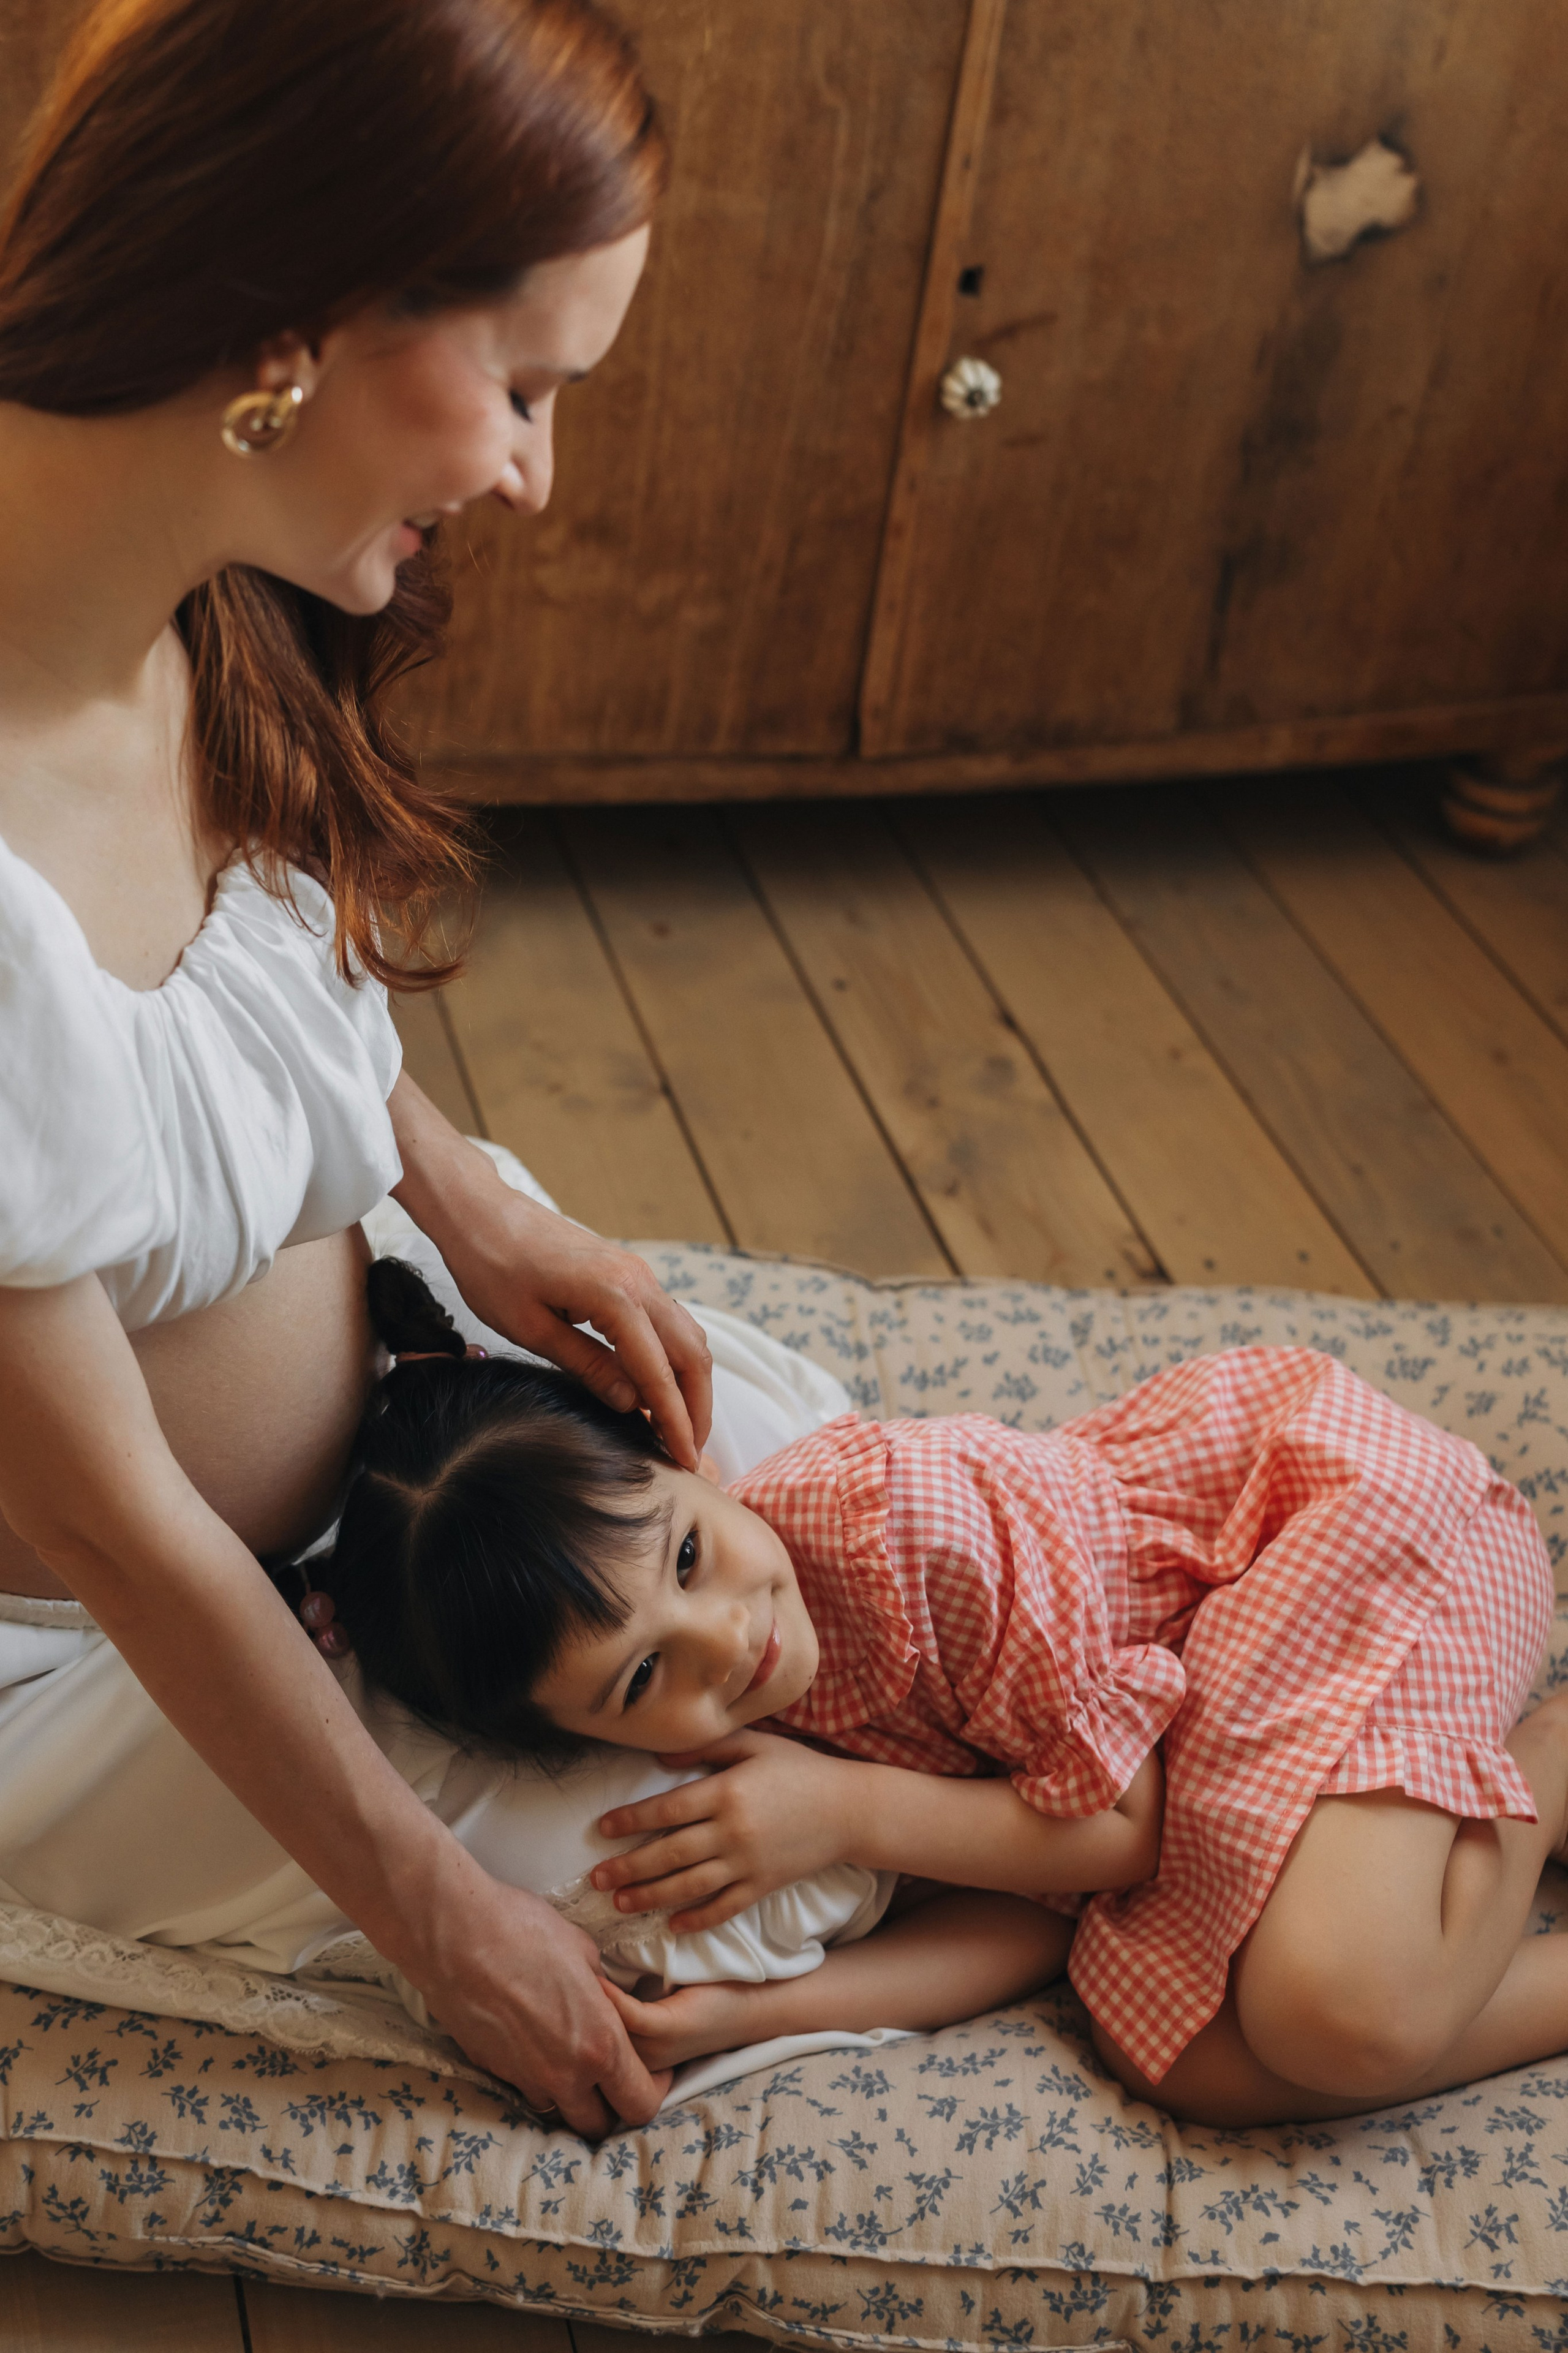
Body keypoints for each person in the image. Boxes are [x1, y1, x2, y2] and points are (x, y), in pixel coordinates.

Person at [0, 0, 725, 2136]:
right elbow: (105, 1515)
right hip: (99, 1652)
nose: (533, 470)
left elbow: (213, 989)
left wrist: (453, 1190)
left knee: (824, 1517)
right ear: (302, 323)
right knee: (720, 1866)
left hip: (373, 1480)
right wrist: (428, 1917)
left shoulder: (185, 588)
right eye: (521, 386)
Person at [313, 1263, 1568, 2126]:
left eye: (687, 1554)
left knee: (1330, 2005)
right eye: (642, 1676)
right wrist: (737, 2015)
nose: (722, 1640)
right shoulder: (738, 1740)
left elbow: (1121, 1831)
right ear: (573, 1738)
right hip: (1220, 1690)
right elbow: (1039, 1920)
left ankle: (1549, 1756)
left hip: (1344, 1527)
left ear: (674, 1454)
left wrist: (847, 1814)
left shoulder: (903, 1528)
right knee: (1185, 2057)